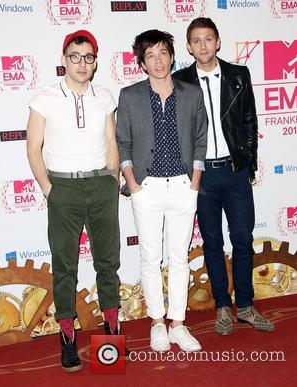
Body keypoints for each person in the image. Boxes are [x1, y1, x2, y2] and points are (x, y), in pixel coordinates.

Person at [26, 30, 123, 372]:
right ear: (64, 59)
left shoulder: (105, 96)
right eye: (75, 56)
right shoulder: (45, 98)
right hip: (62, 189)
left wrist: (112, 180)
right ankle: (68, 337)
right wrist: (48, 188)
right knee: (65, 265)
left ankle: (112, 332)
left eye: (88, 57)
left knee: (108, 261)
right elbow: (32, 147)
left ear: (96, 62)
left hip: (101, 186)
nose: (82, 64)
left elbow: (112, 140)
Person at [173, 17, 274, 335]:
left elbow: (249, 121)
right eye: (196, 40)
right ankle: (222, 308)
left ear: (217, 42)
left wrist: (249, 164)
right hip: (202, 178)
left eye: (208, 39)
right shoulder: (179, 82)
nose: (203, 45)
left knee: (243, 241)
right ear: (189, 47)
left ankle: (245, 306)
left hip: (235, 172)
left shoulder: (238, 75)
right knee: (213, 244)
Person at [117, 29, 207, 352]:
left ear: (172, 55)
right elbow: (123, 142)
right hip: (147, 187)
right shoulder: (129, 96)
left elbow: (200, 139)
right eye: (150, 55)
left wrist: (195, 181)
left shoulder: (192, 94)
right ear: (142, 63)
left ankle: (178, 324)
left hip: (184, 186)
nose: (158, 60)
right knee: (150, 257)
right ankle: (157, 322)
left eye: (162, 53)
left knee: (179, 257)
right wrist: (132, 183)